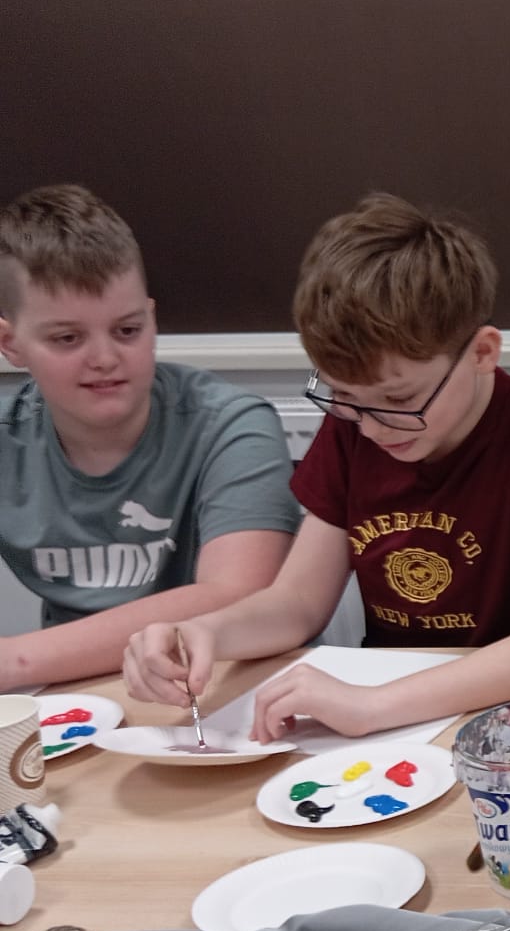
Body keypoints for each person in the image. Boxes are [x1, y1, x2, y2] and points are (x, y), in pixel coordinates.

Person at [124, 194, 510, 739]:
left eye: (400, 399)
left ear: (482, 353)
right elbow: (297, 603)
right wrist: (203, 633)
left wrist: (376, 705)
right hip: (391, 716)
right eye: (343, 396)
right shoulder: (353, 425)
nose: (372, 428)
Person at [0, 185, 297, 690]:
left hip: (219, 687)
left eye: (127, 330)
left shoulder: (232, 425)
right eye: (68, 338)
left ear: (152, 318)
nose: (105, 359)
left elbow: (240, 594)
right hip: (75, 692)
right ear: (11, 344)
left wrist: (16, 662)